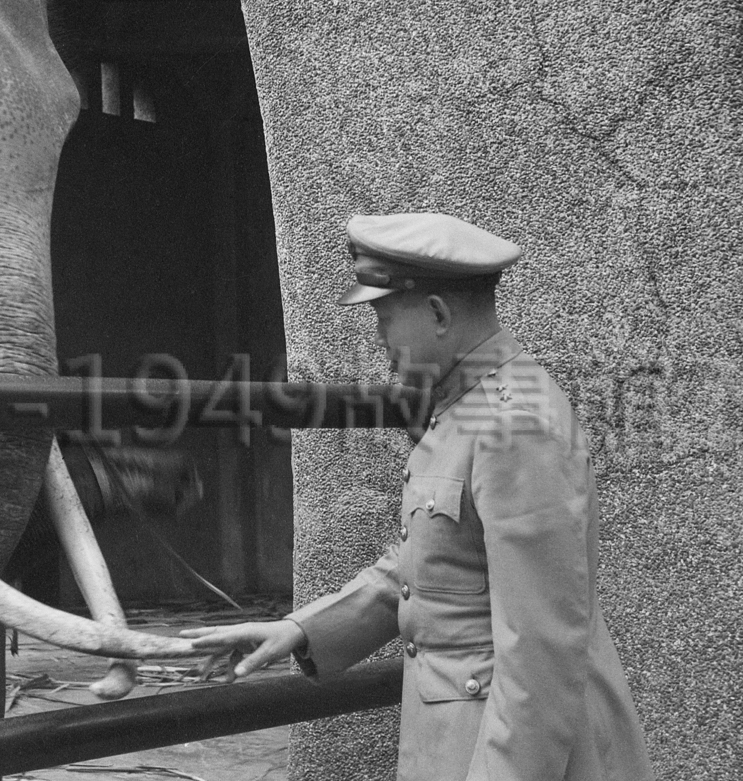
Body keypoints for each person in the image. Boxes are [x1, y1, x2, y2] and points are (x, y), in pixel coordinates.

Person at [182, 213, 653, 781]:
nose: (379, 339)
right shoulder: (469, 405)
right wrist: (302, 631)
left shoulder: (513, 424)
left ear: (437, 314)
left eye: (384, 318)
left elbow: (541, 656)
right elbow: (428, 567)